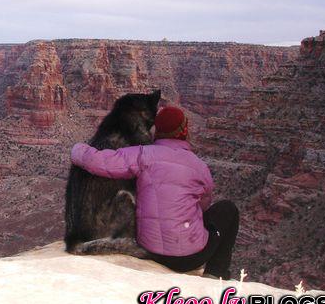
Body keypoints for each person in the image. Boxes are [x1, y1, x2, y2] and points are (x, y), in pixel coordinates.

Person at [70, 105, 239, 280]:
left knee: (129, 190)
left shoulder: (143, 155)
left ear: (156, 130)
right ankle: (216, 274)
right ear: (185, 130)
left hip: (150, 251)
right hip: (190, 258)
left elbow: (100, 162)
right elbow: (204, 206)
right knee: (228, 209)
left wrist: (77, 149)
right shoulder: (199, 167)